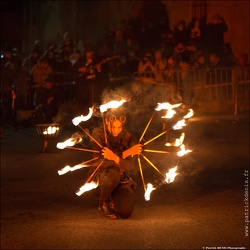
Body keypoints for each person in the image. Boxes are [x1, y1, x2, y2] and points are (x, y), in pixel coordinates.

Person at [89, 108, 142, 220]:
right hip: (103, 178)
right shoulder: (98, 135)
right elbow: (102, 163)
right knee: (113, 172)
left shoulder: (130, 138)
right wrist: (126, 154)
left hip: (121, 179)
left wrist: (114, 156)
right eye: (113, 127)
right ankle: (103, 204)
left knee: (125, 213)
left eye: (119, 127)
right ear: (107, 122)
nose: (116, 131)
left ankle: (113, 198)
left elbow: (128, 166)